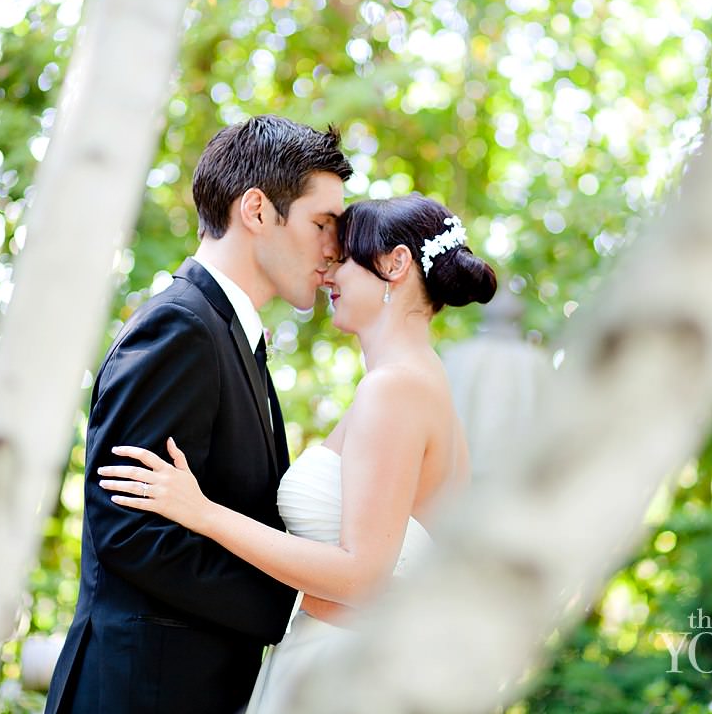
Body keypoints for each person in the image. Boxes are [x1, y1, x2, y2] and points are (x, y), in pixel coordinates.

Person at [98, 193, 498, 713]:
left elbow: (361, 575)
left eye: (344, 257)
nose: (327, 272)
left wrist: (203, 513)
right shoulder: (416, 382)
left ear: (395, 264)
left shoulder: (395, 389)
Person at [43, 115, 353, 714]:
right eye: (322, 223)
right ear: (257, 211)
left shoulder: (236, 340)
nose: (335, 249)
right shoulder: (180, 327)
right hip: (137, 692)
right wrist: (287, 602)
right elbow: (129, 530)